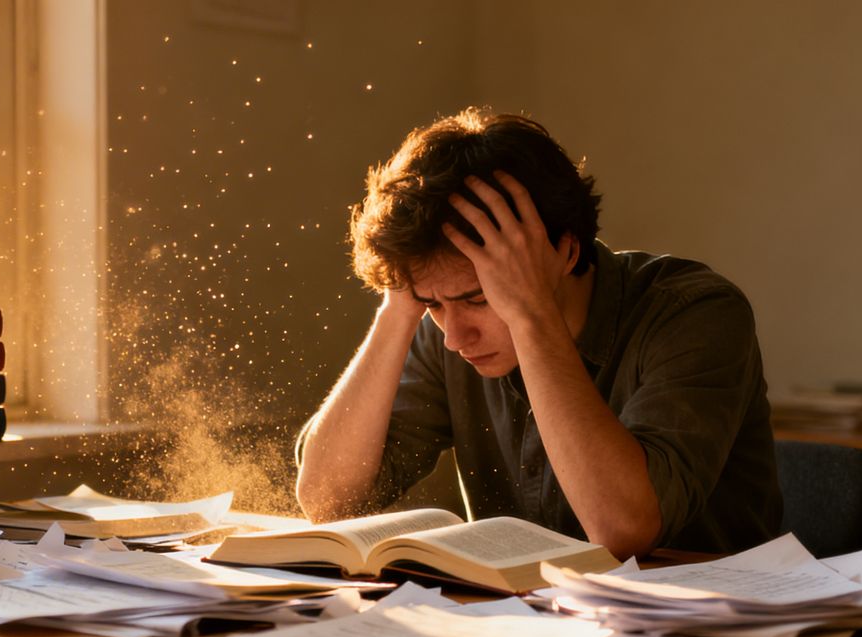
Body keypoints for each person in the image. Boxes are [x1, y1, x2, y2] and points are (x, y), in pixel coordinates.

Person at [295, 107, 781, 559]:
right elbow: (326, 500)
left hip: (709, 633)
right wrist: (399, 305)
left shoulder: (695, 313)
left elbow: (621, 531)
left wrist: (530, 316)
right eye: (432, 303)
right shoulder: (444, 325)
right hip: (529, 625)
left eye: (478, 298)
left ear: (565, 254)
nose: (454, 336)